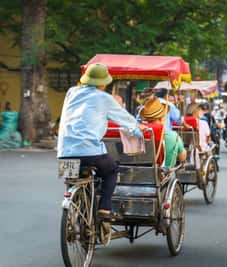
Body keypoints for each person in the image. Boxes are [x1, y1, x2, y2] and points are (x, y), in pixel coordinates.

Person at [57, 63, 144, 219]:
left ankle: (77, 209)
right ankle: (104, 207)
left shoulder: (71, 92)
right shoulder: (104, 98)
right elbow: (122, 117)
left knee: (73, 181)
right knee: (111, 170)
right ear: (103, 83)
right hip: (89, 150)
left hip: (64, 151)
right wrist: (136, 127)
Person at [140, 98, 187, 167]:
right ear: (162, 118)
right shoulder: (173, 136)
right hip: (165, 174)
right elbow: (182, 157)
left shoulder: (140, 134)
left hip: (140, 172)